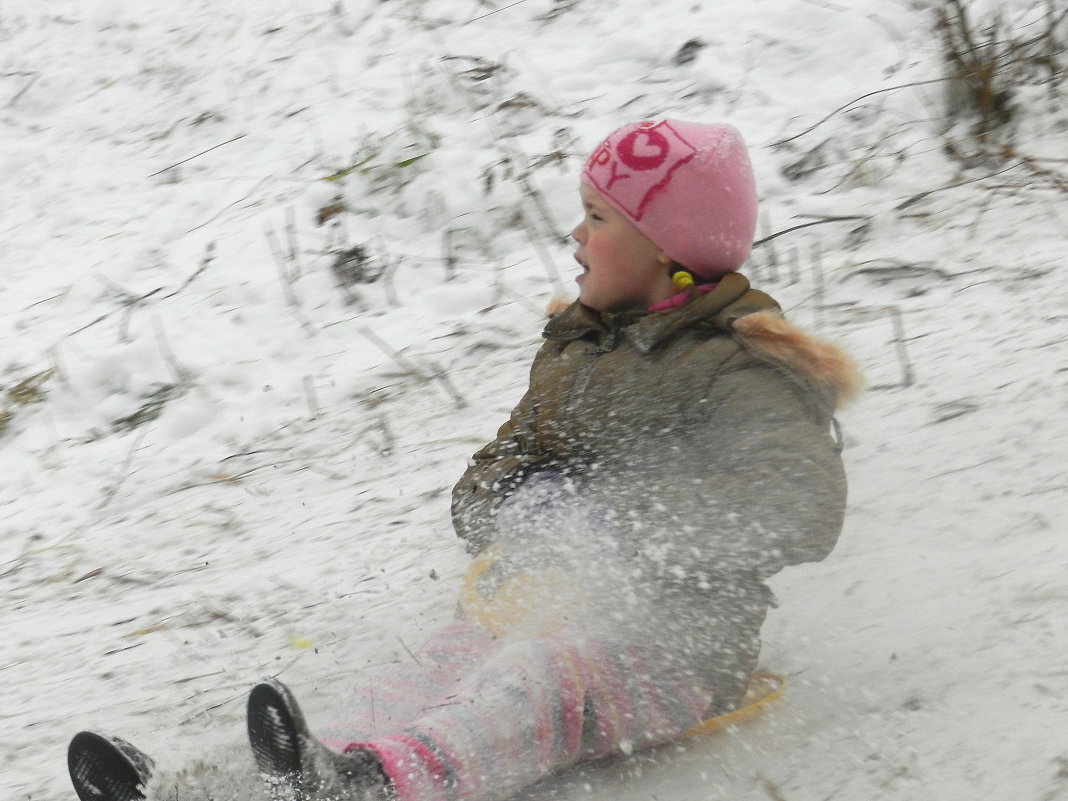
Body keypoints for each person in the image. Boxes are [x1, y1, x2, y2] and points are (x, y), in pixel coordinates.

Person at [68, 119, 862, 801]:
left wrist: (621, 527)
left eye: (597, 218)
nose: (575, 237)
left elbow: (799, 504)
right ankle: (237, 783)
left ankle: (370, 783)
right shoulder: (575, 349)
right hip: (534, 600)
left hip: (672, 645)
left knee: (538, 676)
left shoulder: (741, 366)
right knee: (427, 670)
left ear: (668, 251)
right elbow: (487, 476)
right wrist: (520, 508)